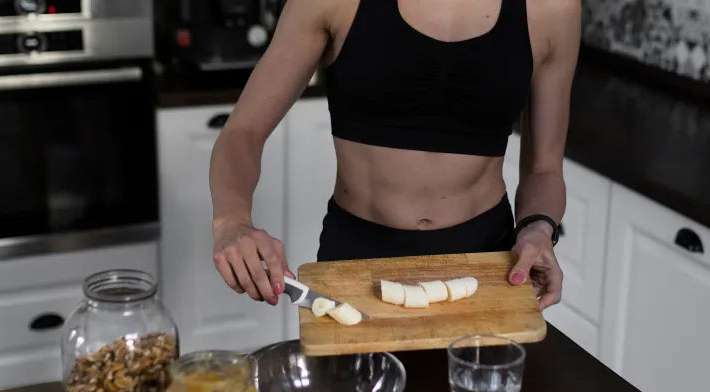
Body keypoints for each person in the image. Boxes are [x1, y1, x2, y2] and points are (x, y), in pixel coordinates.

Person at [209, 0, 579, 311]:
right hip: (357, 258)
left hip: (486, 265)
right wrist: (231, 220)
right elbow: (243, 132)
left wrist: (538, 229)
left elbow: (544, 169)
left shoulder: (551, 8)